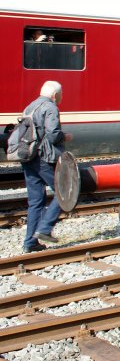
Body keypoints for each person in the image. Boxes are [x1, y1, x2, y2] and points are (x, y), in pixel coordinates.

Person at [20, 81, 71, 253]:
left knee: (35, 201)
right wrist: (64, 136)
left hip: (28, 157)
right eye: (61, 94)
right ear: (55, 95)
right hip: (44, 158)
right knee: (63, 192)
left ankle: (30, 242)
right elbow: (52, 134)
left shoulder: (30, 106)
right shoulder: (50, 107)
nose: (62, 97)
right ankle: (45, 228)